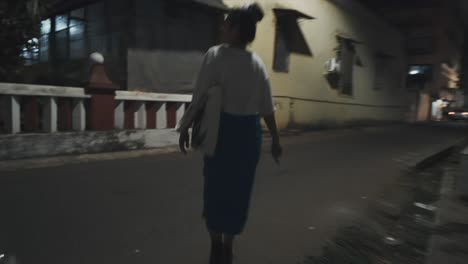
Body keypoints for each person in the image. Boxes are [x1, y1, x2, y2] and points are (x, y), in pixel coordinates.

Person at [177, 3, 282, 264]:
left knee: (215, 190)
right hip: (248, 137)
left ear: (235, 30)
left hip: (220, 134)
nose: (223, 26)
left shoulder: (215, 55)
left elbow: (199, 96)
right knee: (239, 192)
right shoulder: (258, 65)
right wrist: (277, 140)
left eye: (227, 23)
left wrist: (186, 127)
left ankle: (215, 246)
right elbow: (267, 109)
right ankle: (228, 245)